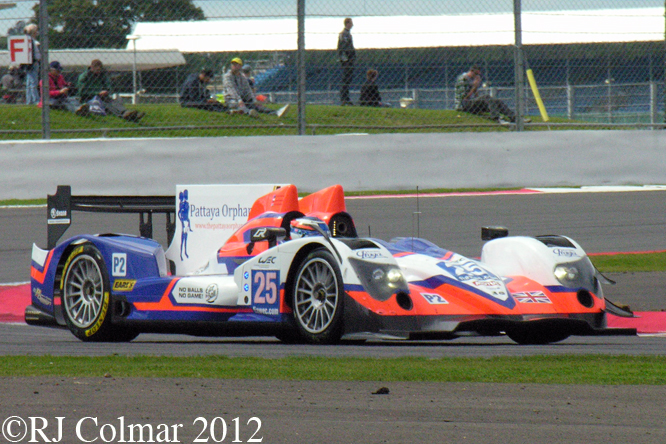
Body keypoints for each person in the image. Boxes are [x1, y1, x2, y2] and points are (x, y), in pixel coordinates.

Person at [454, 65, 526, 124]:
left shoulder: (471, 80)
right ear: (471, 72)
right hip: (463, 104)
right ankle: (496, 117)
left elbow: (476, 96)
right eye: (476, 74)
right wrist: (474, 87)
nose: (477, 77)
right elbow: (464, 97)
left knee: (496, 101)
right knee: (486, 97)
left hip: (471, 103)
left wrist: (475, 88)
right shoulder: (463, 79)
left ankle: (514, 118)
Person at [77, 59, 144, 121]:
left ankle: (127, 112)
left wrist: (106, 91)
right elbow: (82, 92)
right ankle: (124, 115)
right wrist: (97, 93)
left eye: (99, 70)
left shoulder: (102, 75)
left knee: (113, 102)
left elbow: (108, 86)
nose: (98, 72)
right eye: (96, 70)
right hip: (89, 98)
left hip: (102, 97)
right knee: (106, 105)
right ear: (92, 67)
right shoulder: (84, 77)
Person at [223, 57, 289, 118]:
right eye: (233, 64)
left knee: (255, 105)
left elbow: (248, 90)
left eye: (236, 64)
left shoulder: (242, 78)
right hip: (231, 99)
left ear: (240, 66)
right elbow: (231, 89)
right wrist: (239, 100)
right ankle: (248, 112)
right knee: (235, 104)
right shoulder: (227, 77)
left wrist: (253, 100)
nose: (234, 66)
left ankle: (275, 112)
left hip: (242, 98)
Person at [337, 17, 355, 106]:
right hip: (347, 60)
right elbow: (344, 47)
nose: (352, 25)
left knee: (348, 79)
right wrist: (347, 59)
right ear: (347, 24)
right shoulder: (344, 34)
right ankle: (344, 98)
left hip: (348, 59)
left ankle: (346, 97)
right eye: (351, 23)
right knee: (346, 79)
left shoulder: (347, 34)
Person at [22, 24, 42, 105]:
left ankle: (29, 100)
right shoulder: (32, 42)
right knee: (33, 81)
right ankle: (35, 99)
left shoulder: (28, 41)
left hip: (29, 63)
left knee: (29, 82)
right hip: (33, 63)